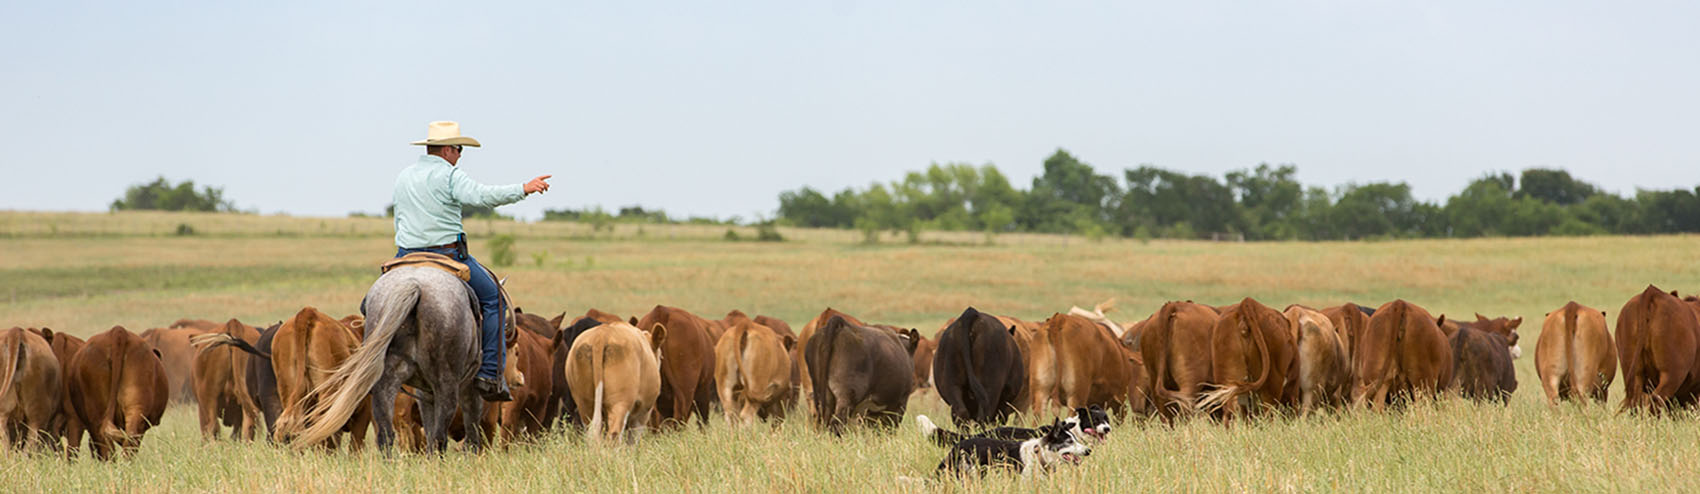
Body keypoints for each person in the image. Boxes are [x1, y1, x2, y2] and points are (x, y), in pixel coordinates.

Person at [391, 121, 550, 401]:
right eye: (460, 149)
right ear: (448, 150)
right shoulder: (450, 175)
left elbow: (399, 219)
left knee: (371, 304)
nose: (460, 155)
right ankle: (490, 373)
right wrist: (523, 188)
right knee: (494, 300)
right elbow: (482, 196)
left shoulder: (404, 176)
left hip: (405, 255)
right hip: (446, 254)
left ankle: (378, 365)